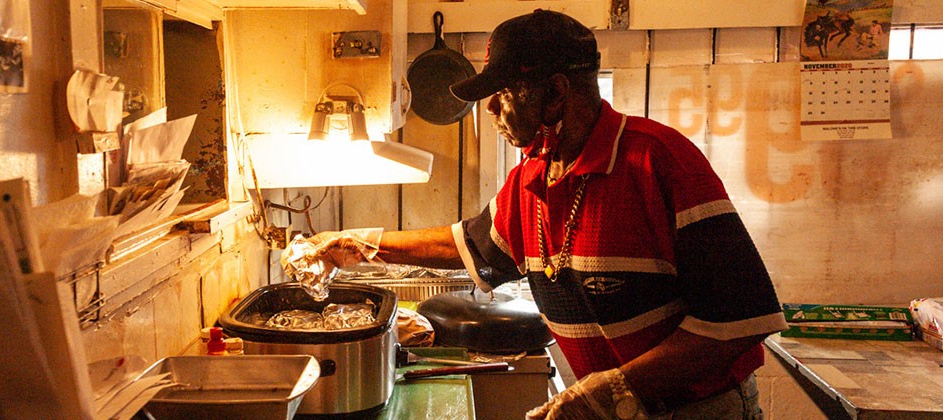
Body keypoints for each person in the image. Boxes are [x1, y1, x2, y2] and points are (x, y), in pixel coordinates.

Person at [283, 9, 787, 420]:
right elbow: (468, 246)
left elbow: (740, 321)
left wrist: (610, 389)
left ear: (555, 94)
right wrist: (357, 241)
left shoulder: (658, 160)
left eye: (501, 96)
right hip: (621, 405)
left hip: (698, 409)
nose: (492, 112)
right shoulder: (532, 177)